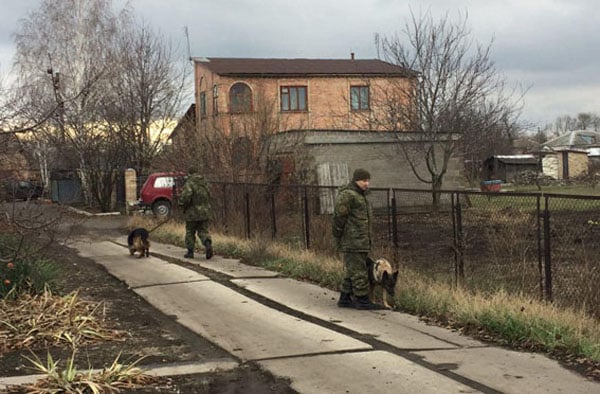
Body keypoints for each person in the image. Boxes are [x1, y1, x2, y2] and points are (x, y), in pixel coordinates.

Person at [332, 168, 383, 310]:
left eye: (368, 180)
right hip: (352, 241)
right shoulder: (348, 196)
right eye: (364, 180)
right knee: (359, 271)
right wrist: (338, 236)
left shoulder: (361, 196)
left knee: (352, 270)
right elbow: (338, 218)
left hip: (361, 240)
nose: (367, 183)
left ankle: (345, 298)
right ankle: (362, 300)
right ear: (356, 180)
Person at [179, 167, 213, 259]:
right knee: (203, 230)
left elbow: (186, 196)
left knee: (190, 231)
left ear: (189, 173)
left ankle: (190, 252)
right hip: (205, 211)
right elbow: (210, 194)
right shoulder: (204, 183)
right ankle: (207, 243)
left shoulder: (189, 183)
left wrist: (181, 204)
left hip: (192, 212)